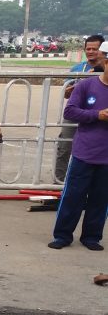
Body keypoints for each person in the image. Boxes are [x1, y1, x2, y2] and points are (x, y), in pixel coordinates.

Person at [50, 58, 108, 251]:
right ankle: (62, 235)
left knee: (101, 198)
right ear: (105, 63)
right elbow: (70, 111)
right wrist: (97, 115)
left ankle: (92, 237)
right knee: (73, 195)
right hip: (85, 152)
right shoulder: (87, 85)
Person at [58, 35, 105, 181]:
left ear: (102, 51)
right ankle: (59, 181)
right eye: (88, 49)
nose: (91, 52)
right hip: (76, 113)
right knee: (64, 146)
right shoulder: (78, 68)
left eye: (95, 49)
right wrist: (73, 89)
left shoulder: (105, 69)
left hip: (99, 115)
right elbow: (65, 93)